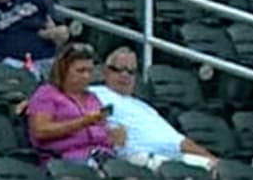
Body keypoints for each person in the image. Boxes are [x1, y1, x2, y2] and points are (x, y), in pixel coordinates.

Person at [89, 47, 219, 169]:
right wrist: (106, 134)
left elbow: (177, 140)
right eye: (118, 69)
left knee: (217, 169)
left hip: (173, 156)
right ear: (106, 71)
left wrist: (210, 158)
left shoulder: (144, 107)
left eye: (131, 71)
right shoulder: (95, 94)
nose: (125, 75)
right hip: (139, 158)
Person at [26, 43, 117, 166]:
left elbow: (101, 130)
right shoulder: (46, 94)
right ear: (63, 70)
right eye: (80, 71)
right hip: (66, 160)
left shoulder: (92, 98)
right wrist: (84, 122)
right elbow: (40, 131)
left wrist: (112, 135)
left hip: (103, 155)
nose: (86, 76)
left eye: (89, 71)